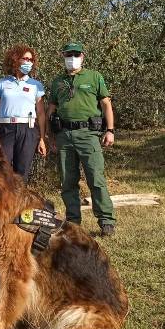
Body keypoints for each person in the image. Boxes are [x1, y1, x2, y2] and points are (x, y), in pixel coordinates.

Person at [45, 41, 117, 236]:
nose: (72, 58)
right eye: (69, 55)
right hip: (64, 136)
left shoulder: (94, 77)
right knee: (68, 181)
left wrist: (110, 130)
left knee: (96, 178)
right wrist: (49, 136)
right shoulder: (58, 81)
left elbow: (106, 104)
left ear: (83, 56)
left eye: (76, 54)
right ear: (63, 57)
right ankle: (73, 223)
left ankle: (106, 221)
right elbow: (51, 109)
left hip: (88, 135)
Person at [0, 44, 48, 181]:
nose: (28, 62)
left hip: (28, 130)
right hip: (5, 129)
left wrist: (42, 138)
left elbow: (41, 114)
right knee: (1, 169)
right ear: (16, 59)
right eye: (25, 59)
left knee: (22, 172)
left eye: (31, 60)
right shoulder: (2, 83)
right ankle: (1, 201)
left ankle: (18, 202)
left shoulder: (36, 85)